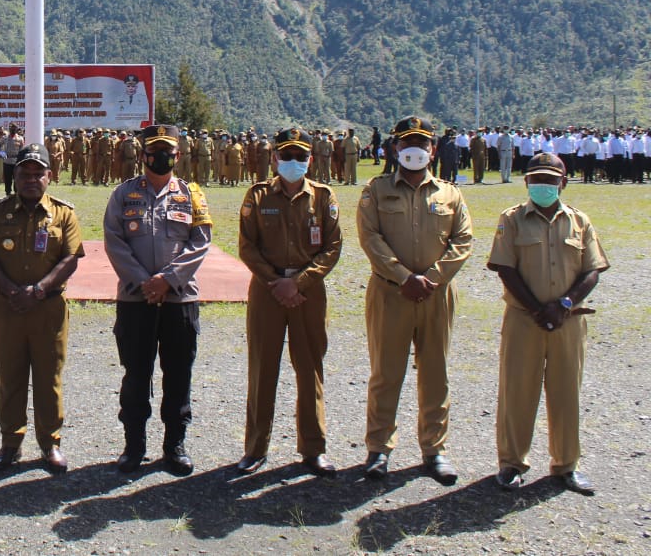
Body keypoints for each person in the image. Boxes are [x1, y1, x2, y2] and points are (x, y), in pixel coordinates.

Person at [356, 116, 472, 484]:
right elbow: (371, 239)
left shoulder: (450, 194)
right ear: (395, 149)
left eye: (421, 144)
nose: (414, 151)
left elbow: (462, 241)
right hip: (391, 293)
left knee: (436, 374)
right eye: (407, 144)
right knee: (386, 373)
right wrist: (405, 277)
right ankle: (378, 449)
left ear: (432, 150)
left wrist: (432, 279)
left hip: (436, 296)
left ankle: (434, 450)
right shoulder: (376, 191)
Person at [486, 153, 609, 495]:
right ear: (526, 183)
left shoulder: (580, 221)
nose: (543, 186)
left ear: (563, 183)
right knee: (517, 393)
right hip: (525, 320)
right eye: (537, 180)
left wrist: (564, 304)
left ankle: (566, 465)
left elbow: (592, 269)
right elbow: (505, 268)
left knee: (566, 393)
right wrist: (540, 309)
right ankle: (511, 464)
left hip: (568, 323)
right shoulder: (511, 220)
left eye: (550, 180)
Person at [103, 125, 212, 475]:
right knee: (136, 373)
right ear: (144, 154)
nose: (160, 156)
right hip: (136, 300)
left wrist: (168, 280)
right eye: (154, 150)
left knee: (178, 373)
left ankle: (174, 445)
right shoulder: (123, 194)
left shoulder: (192, 194)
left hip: (179, 299)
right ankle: (133, 446)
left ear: (177, 155)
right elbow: (114, 240)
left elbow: (200, 242)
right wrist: (143, 282)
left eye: (168, 150)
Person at [235, 128, 342, 477]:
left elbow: (332, 247)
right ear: (275, 159)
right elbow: (247, 246)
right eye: (287, 156)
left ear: (309, 160)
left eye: (300, 156)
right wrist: (274, 282)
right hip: (267, 291)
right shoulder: (258, 195)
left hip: (308, 291)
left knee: (310, 368)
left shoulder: (324, 197)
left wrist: (297, 283)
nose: (293, 162)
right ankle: (255, 449)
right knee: (263, 369)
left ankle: (313, 449)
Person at [0, 143, 84, 473]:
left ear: (50, 176)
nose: (31, 179)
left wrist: (38, 290)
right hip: (9, 309)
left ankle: (50, 443)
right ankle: (10, 442)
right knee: (10, 375)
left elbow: (70, 259)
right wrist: (11, 291)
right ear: (16, 175)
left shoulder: (63, 213)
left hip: (47, 310)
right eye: (25, 173)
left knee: (49, 377)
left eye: (39, 173)